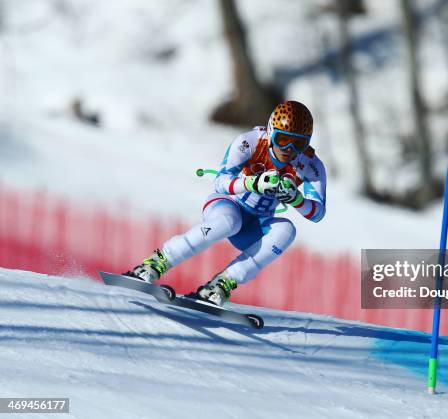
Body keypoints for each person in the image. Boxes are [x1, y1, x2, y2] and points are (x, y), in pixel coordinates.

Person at [126, 101, 327, 306]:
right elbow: (220, 182)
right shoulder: (250, 142)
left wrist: (297, 199)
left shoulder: (311, 166)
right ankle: (155, 263)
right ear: (270, 131)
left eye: (298, 144)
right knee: (229, 222)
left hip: (255, 225)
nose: (289, 149)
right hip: (227, 204)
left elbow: (318, 213)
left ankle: (222, 284)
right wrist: (253, 183)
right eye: (282, 139)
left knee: (287, 230)